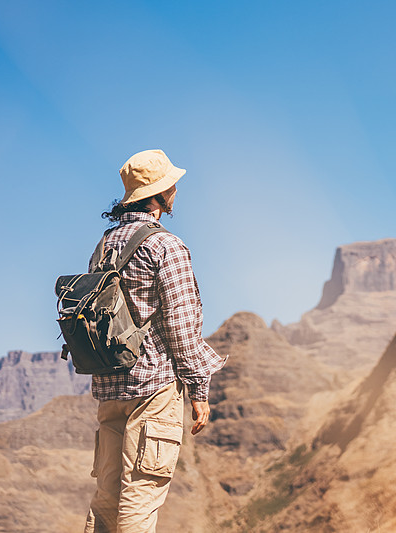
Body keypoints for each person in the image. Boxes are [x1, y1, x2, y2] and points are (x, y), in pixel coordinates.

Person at [84, 149, 226, 533]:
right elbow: (181, 326)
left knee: (106, 500)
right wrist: (199, 390)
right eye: (171, 185)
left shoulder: (104, 245)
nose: (176, 190)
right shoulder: (166, 246)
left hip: (109, 386)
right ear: (159, 194)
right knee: (140, 498)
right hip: (153, 387)